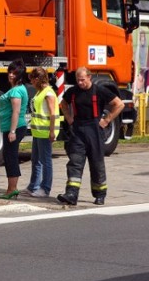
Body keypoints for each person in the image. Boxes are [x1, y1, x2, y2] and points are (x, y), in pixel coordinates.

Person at [57, 67, 124, 206]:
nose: (80, 83)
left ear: (89, 77)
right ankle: (71, 194)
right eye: (78, 80)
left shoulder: (99, 91)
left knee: (97, 164)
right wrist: (69, 118)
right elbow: (63, 103)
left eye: (82, 80)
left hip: (94, 131)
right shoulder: (73, 92)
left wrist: (107, 120)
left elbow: (119, 104)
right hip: (78, 131)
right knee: (75, 163)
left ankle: (100, 194)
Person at [25, 67, 59, 198]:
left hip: (45, 133)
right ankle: (33, 185)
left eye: (32, 80)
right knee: (36, 160)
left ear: (38, 79)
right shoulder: (40, 92)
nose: (31, 83)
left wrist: (52, 132)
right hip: (38, 132)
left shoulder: (48, 93)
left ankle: (45, 188)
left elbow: (53, 114)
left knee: (45, 161)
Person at [0, 59, 28, 200]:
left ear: (20, 76)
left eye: (14, 73)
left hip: (14, 128)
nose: (11, 75)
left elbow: (16, 112)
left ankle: (12, 189)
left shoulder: (16, 91)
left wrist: (12, 131)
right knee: (9, 157)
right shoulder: (16, 89)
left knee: (11, 158)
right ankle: (11, 188)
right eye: (10, 72)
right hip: (10, 127)